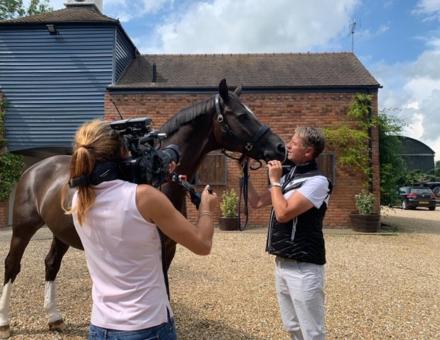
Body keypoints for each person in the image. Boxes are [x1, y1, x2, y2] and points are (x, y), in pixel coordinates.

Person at [62, 119, 217, 340]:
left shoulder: (79, 199)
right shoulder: (144, 198)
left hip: (100, 327)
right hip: (146, 327)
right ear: (123, 151)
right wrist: (207, 209)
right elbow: (202, 244)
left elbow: (121, 202)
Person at [246, 127, 331, 340]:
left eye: (294, 142)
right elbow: (256, 203)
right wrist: (244, 175)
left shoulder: (318, 182)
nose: (288, 146)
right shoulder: (288, 178)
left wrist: (274, 180)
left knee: (312, 332)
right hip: (282, 263)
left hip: (304, 266)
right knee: (292, 327)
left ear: (308, 152)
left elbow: (283, 213)